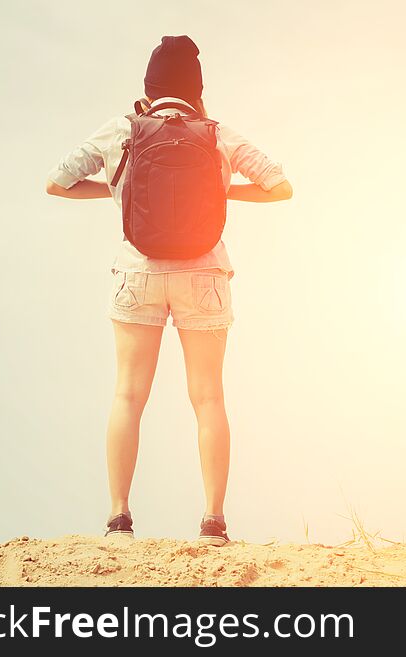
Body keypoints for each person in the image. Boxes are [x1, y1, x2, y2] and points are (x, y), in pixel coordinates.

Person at [45, 35, 293, 546]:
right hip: (204, 277)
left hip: (138, 273)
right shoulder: (218, 133)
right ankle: (213, 523)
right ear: (197, 91)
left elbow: (56, 183)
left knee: (128, 394)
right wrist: (224, 190)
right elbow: (280, 187)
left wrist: (116, 191)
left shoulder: (123, 130)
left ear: (149, 89)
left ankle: (118, 520)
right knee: (208, 398)